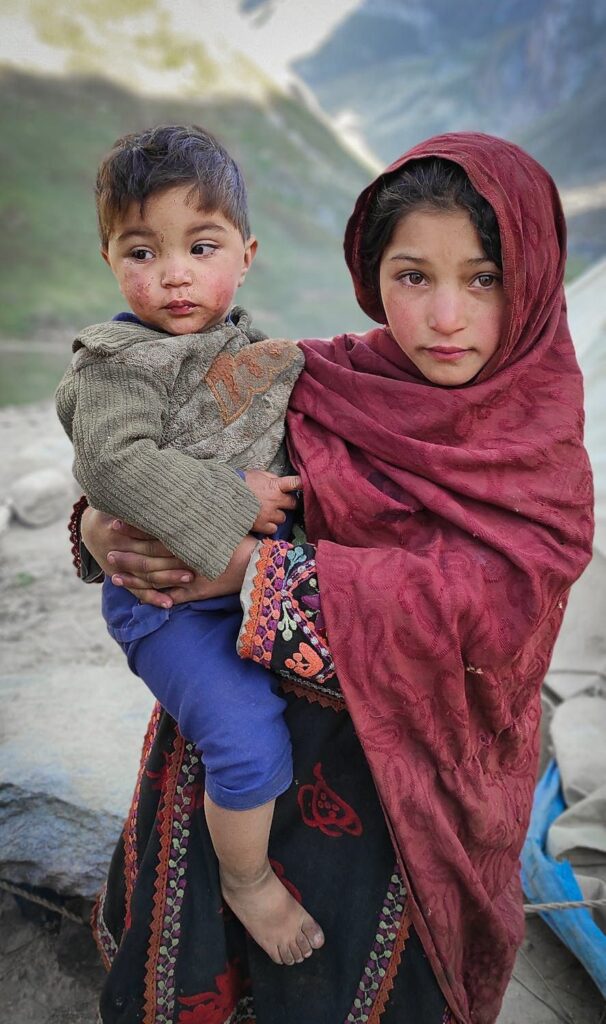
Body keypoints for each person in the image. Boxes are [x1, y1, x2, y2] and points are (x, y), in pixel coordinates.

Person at [78, 133, 593, 1024]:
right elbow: (164, 453)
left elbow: (494, 619)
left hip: (407, 799)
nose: (444, 317)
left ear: (537, 275)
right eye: (412, 275)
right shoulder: (320, 378)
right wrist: (96, 529)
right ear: (371, 273)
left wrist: (251, 570)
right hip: (237, 762)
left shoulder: (539, 449)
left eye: (483, 277)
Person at [56, 123, 325, 967]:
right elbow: (111, 461)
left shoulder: (255, 353)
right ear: (108, 259)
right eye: (142, 251)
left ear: (244, 256)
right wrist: (232, 502)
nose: (172, 272)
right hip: (166, 606)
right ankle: (245, 882)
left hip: (253, 588)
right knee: (247, 737)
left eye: (199, 246)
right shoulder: (115, 364)